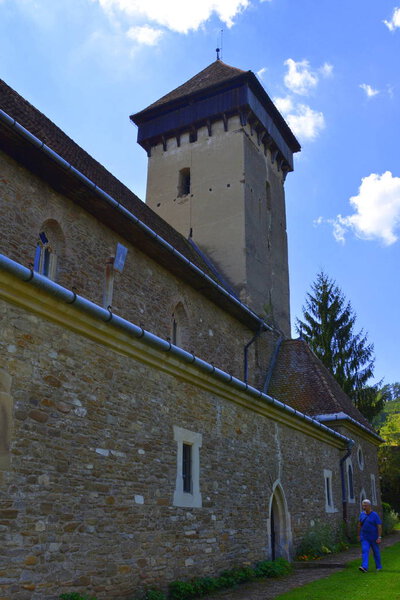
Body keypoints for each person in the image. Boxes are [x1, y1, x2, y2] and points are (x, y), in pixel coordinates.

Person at [357, 499, 382, 572]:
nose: (364, 507)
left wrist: (379, 537)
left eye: (365, 505)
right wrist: (358, 535)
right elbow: (359, 525)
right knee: (365, 550)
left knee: (376, 552)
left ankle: (379, 566)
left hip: (374, 538)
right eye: (363, 505)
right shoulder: (361, 514)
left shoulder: (375, 515)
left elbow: (379, 526)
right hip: (365, 537)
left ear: (369, 506)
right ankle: (364, 567)